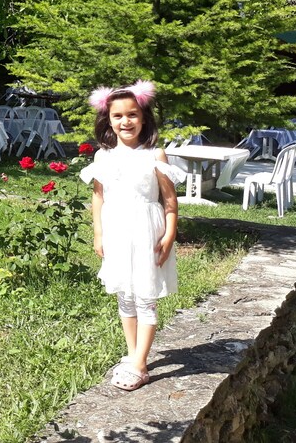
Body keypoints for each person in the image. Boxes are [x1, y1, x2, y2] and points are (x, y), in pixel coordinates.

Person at [79, 79, 184, 391]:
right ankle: (132, 353)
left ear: (144, 118)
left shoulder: (154, 155)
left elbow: (169, 200)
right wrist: (98, 233)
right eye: (118, 116)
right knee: (125, 294)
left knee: (145, 296)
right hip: (117, 232)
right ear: (108, 120)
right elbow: (98, 196)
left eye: (132, 114)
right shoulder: (103, 157)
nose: (126, 121)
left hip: (147, 232)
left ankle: (140, 363)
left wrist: (169, 236)